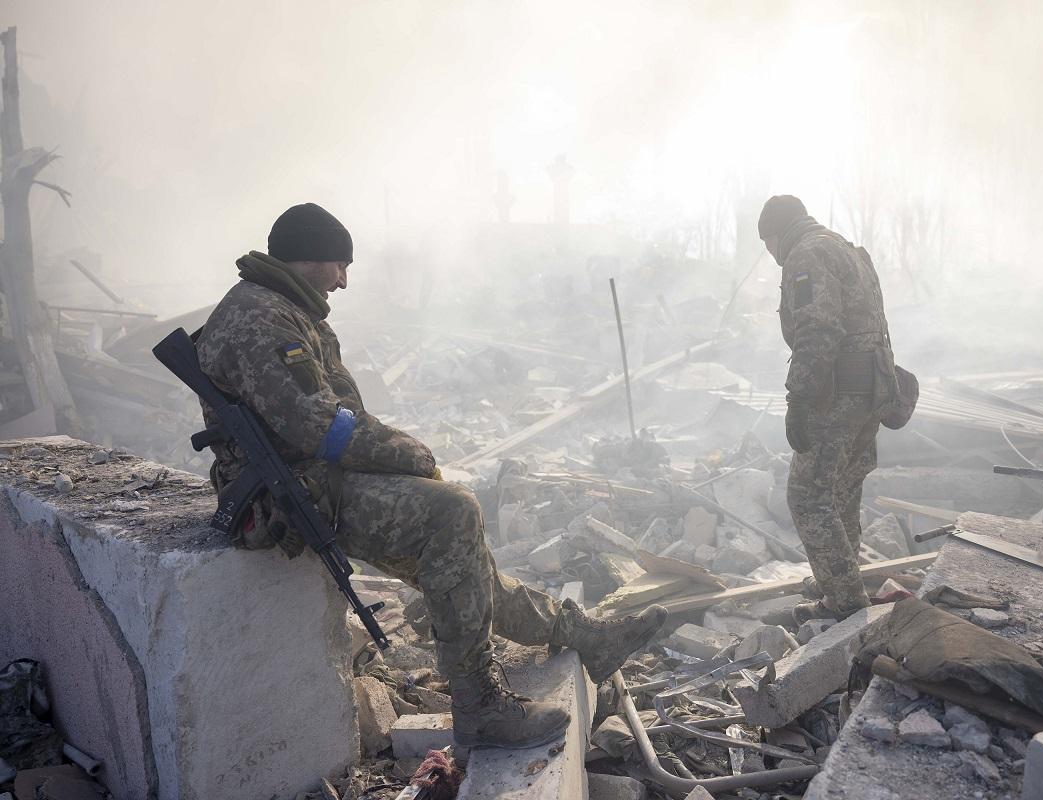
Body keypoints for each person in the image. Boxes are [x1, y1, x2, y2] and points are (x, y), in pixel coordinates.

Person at [194, 203, 667, 749]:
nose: (343, 281)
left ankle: (581, 635)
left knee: (459, 564)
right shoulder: (262, 318)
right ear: (310, 258)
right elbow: (317, 426)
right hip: (293, 495)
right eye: (339, 266)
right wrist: (408, 453)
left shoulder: (275, 306)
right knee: (453, 513)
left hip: (311, 482)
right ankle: (481, 710)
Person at [758, 195, 902, 623]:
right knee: (842, 488)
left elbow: (818, 328)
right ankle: (839, 578)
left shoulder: (806, 254)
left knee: (807, 495)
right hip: (872, 387)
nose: (770, 255)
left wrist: (798, 398)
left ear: (776, 234)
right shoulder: (843, 246)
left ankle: (845, 605)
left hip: (840, 392)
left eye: (767, 244)